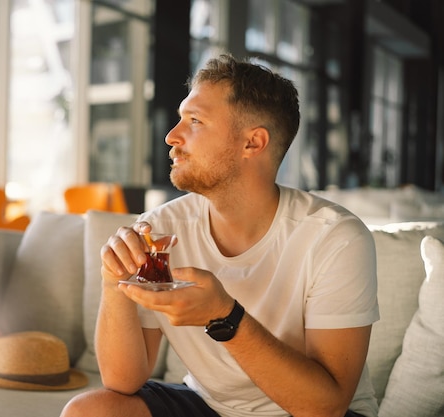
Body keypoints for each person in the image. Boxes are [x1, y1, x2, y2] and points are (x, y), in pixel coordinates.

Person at [61, 54, 379, 417]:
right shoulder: (161, 230)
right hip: (210, 407)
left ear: (252, 143)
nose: (171, 137)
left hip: (308, 411)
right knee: (89, 411)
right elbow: (122, 382)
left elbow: (325, 406)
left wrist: (225, 317)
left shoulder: (335, 238)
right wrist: (113, 283)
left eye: (195, 121)